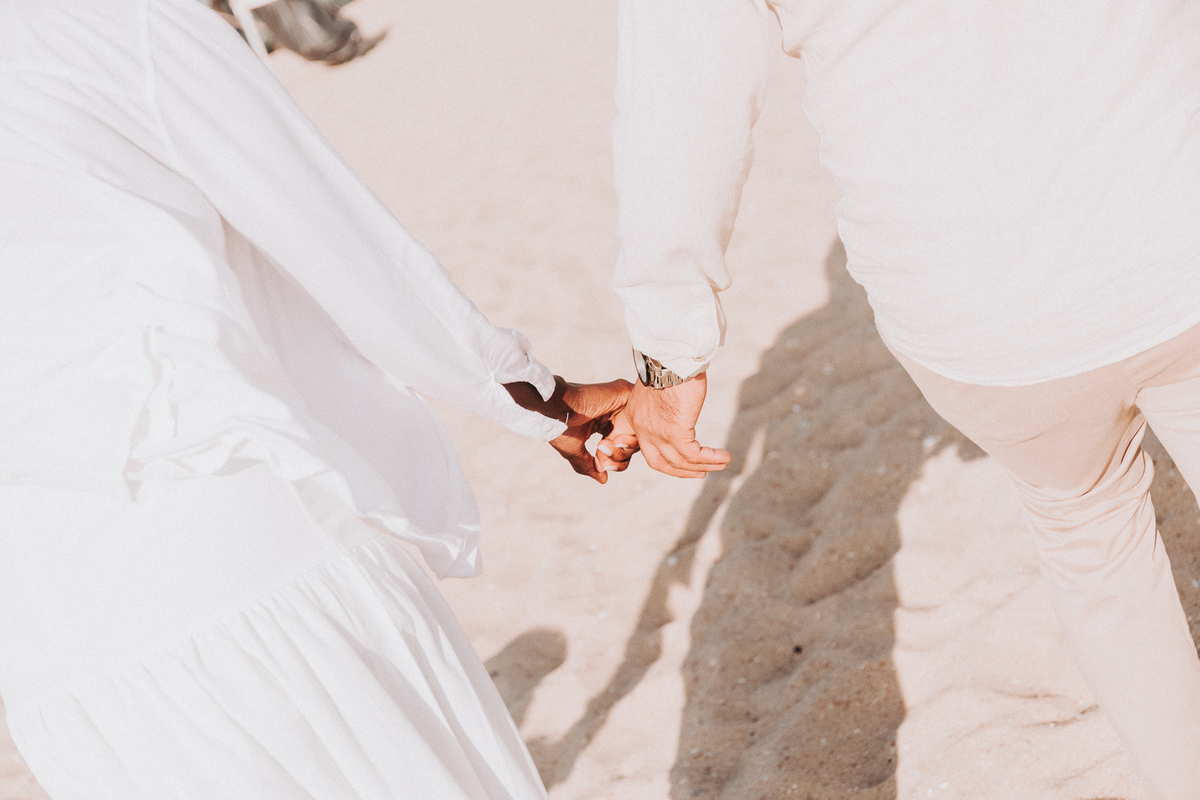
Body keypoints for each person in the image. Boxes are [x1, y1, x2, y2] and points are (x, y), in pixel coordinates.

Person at [0, 0, 632, 798]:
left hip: (49, 642)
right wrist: (545, 401)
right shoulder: (122, 22)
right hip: (222, 535)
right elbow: (344, 247)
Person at [595, 0, 1200, 797]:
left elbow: (679, 111)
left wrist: (669, 357)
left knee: (1092, 545)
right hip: (1171, 210)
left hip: (973, 304)